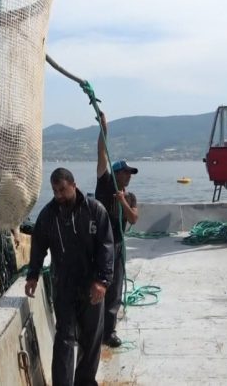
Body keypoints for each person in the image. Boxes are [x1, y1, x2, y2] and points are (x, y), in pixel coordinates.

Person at [25, 168, 114, 386]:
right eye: (55, 191)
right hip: (64, 284)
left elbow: (107, 247)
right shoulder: (48, 215)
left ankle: (84, 381)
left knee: (92, 338)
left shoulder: (95, 210)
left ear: (74, 185)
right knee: (65, 338)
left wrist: (102, 281)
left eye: (63, 190)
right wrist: (32, 275)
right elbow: (38, 247)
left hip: (92, 283)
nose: (59, 196)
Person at [95, 111, 139, 348]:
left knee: (115, 290)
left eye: (130, 174)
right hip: (100, 245)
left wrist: (122, 201)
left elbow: (133, 219)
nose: (129, 177)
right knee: (97, 284)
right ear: (117, 172)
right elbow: (101, 153)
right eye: (126, 173)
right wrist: (104, 130)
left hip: (118, 246)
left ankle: (108, 331)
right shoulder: (104, 183)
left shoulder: (130, 196)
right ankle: (93, 328)